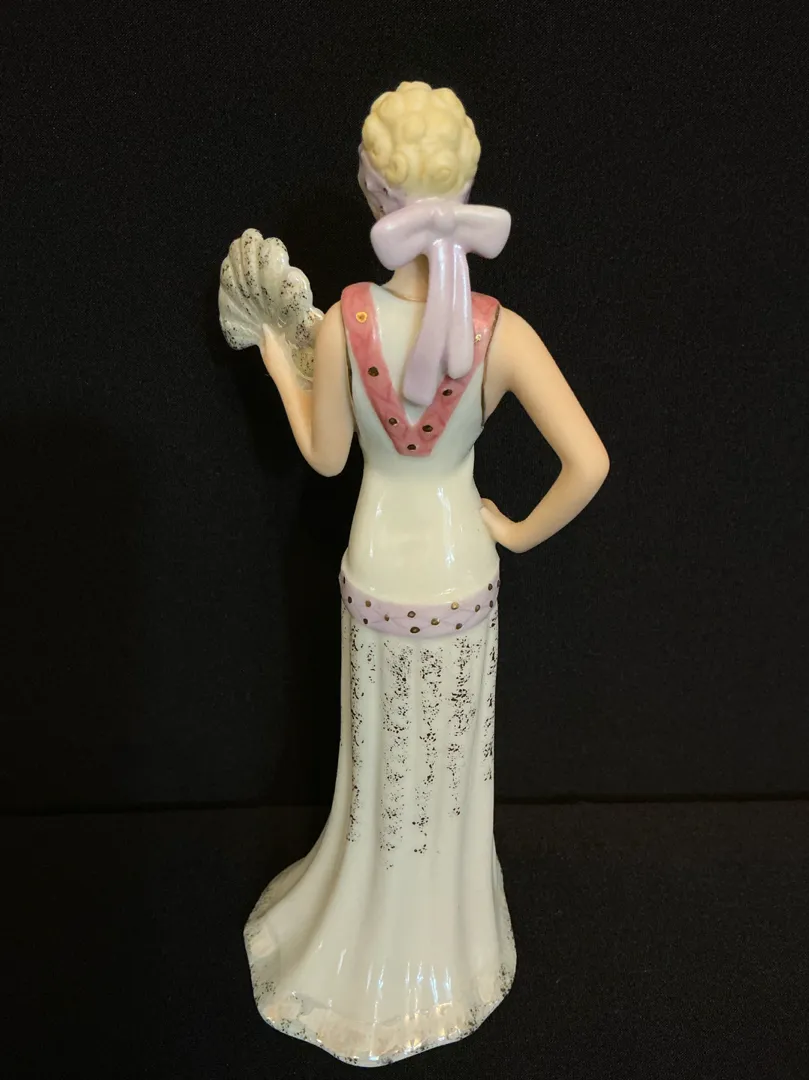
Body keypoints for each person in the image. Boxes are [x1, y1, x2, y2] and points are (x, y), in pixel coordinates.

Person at [245, 81, 609, 1067]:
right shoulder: (502, 332)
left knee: (382, 770)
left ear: (374, 195)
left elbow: (326, 460)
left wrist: (282, 362)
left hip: (378, 566)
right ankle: (450, 946)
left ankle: (368, 934)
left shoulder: (346, 322)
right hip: (459, 568)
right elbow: (589, 463)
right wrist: (516, 532)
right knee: (443, 771)